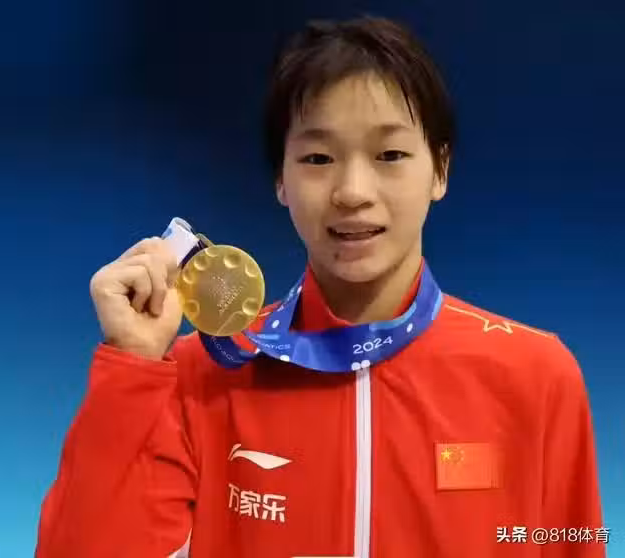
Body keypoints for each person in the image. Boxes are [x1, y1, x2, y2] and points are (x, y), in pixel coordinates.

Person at [35, 15, 605, 558]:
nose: (352, 191)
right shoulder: (199, 379)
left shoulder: (535, 377)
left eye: (389, 154)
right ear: (280, 181)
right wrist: (132, 367)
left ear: (440, 169)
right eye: (318, 157)